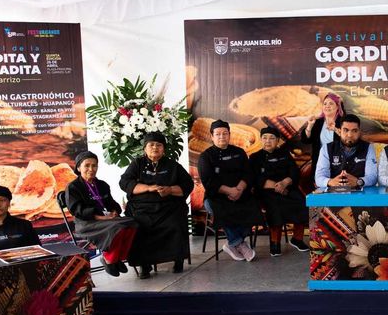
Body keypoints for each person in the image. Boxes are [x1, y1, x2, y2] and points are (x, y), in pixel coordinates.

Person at [119, 132, 194, 278]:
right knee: (139, 226)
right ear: (145, 148)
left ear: (164, 149)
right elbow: (124, 182)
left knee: (175, 223)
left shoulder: (173, 165)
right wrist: (148, 188)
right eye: (151, 145)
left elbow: (188, 184)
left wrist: (170, 190)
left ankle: (177, 259)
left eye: (159, 145)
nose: (155, 148)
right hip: (142, 208)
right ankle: (144, 265)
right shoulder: (137, 164)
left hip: (168, 207)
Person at [196, 119, 262, 262]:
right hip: (216, 197)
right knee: (223, 210)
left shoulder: (239, 152)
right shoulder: (205, 157)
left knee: (253, 207)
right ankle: (239, 244)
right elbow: (209, 181)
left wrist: (239, 189)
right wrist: (229, 191)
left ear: (229, 135)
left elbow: (248, 173)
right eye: (218, 134)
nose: (222, 137)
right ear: (212, 136)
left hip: (241, 193)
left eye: (225, 133)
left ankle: (232, 244)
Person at [65, 151, 139, 276]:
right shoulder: (73, 187)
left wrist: (115, 211)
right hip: (87, 223)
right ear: (78, 168)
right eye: (87, 165)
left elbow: (111, 203)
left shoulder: (102, 185)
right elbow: (77, 210)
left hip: (107, 219)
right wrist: (101, 217)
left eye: (94, 165)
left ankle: (118, 258)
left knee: (133, 223)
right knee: (118, 227)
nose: (91, 169)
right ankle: (109, 259)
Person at [250, 127, 309, 257]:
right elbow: (254, 178)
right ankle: (275, 243)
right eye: (265, 138)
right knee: (275, 207)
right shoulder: (254, 157)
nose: (268, 141)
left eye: (272, 138)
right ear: (261, 140)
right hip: (266, 192)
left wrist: (286, 182)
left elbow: (294, 171)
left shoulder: (284, 154)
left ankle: (297, 239)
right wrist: (275, 186)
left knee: (302, 202)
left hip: (287, 189)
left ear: (277, 141)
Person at [314, 114, 379, 189]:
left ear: (359, 132)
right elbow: (319, 177)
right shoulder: (327, 148)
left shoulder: (368, 148)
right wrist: (330, 182)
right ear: (339, 131)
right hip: (333, 193)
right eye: (345, 130)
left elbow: (372, 177)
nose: (350, 135)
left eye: (354, 131)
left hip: (360, 193)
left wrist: (358, 182)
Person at [300, 93, 344, 177]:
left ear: (337, 107)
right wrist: (309, 126)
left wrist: (335, 129)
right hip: (320, 162)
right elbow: (305, 140)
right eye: (325, 103)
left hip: (339, 163)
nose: (327, 106)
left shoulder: (343, 122)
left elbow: (349, 140)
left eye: (331, 103)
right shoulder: (317, 122)